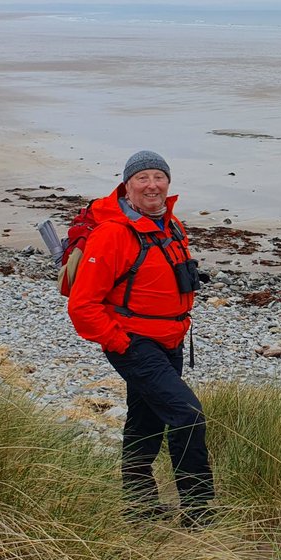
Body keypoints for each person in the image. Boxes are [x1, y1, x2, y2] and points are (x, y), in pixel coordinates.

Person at [66, 150, 214, 525]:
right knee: (187, 416)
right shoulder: (113, 234)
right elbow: (83, 306)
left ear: (168, 182)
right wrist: (122, 344)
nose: (152, 185)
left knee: (146, 422)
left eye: (158, 177)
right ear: (127, 185)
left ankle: (139, 505)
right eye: (142, 178)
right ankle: (199, 514)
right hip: (134, 341)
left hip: (172, 340)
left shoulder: (170, 223)